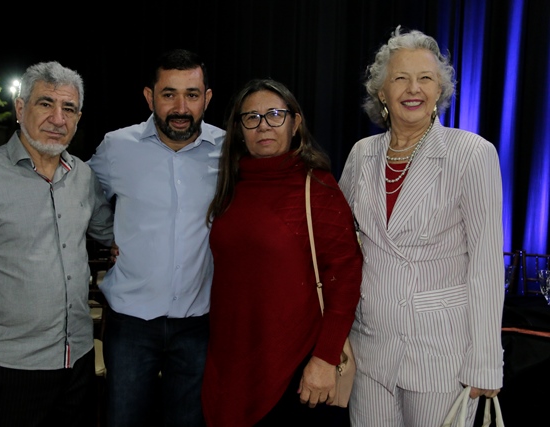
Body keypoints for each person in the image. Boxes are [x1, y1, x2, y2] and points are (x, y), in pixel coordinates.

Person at [0, 61, 114, 426]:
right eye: (46, 104)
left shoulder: (84, 176)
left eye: (69, 109)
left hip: (77, 360)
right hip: (8, 368)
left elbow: (111, 235)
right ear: (20, 108)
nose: (58, 118)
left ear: (79, 118)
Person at [338, 26, 504, 427]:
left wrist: (485, 363)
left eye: (425, 78)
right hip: (371, 351)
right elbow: (339, 247)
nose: (413, 88)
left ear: (439, 91)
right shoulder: (363, 155)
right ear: (381, 92)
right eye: (400, 78)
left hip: (442, 356)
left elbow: (485, 264)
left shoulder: (472, 154)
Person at [201, 78, 363, 426]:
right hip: (230, 362)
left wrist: (324, 358)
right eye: (252, 117)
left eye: (275, 114)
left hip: (297, 369)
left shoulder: (317, 187)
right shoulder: (232, 186)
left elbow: (346, 276)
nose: (263, 125)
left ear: (295, 123)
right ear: (239, 129)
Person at [86, 48, 224, 427]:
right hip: (130, 323)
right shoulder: (117, 147)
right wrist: (105, 234)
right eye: (169, 94)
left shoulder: (229, 151)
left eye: (192, 95)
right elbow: (77, 194)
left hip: (199, 323)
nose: (181, 106)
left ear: (207, 98)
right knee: (124, 420)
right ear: (150, 97)